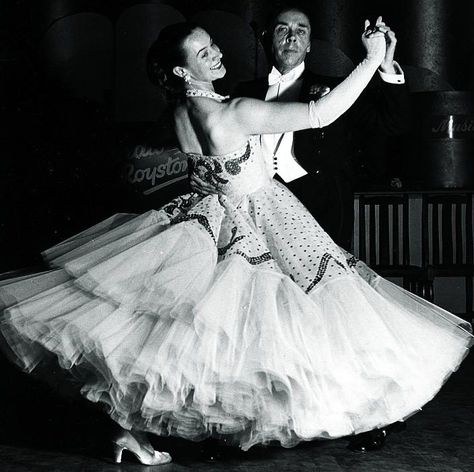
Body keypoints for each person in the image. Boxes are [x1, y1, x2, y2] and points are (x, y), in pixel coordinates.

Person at [0, 21, 472, 467]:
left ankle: (131, 431)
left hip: (207, 217)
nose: (218, 53)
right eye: (205, 53)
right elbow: (317, 113)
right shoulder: (233, 112)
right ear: (185, 71)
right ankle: (352, 410)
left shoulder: (181, 110)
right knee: (313, 312)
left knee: (172, 335)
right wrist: (370, 60)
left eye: (213, 45)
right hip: (259, 214)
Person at [193, 6, 410, 251]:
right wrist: (211, 178)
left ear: (308, 45)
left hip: (319, 209)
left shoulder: (337, 90)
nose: (291, 37)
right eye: (282, 29)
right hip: (251, 212)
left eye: (301, 31)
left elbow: (394, 122)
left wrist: (386, 64)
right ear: (268, 39)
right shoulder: (243, 92)